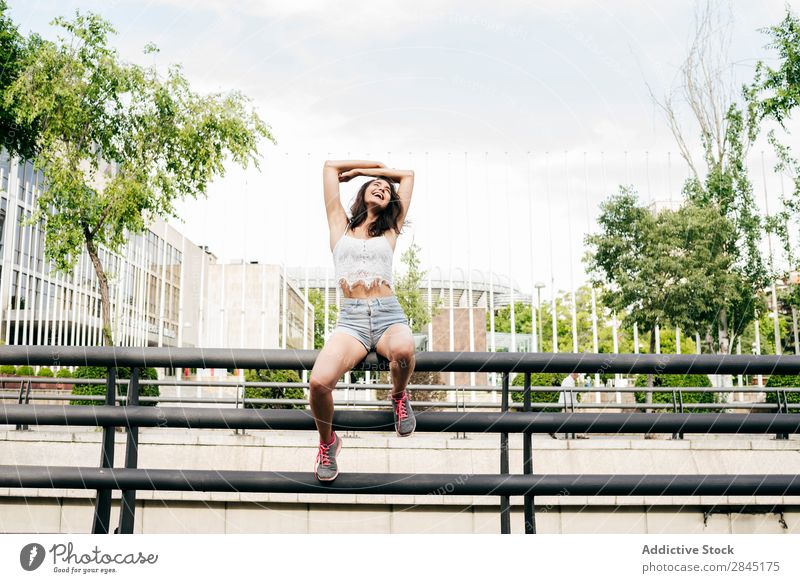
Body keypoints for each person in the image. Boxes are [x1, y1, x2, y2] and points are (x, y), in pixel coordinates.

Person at [310, 159, 416, 481]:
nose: (383, 186)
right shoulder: (338, 224)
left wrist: (376, 174)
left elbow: (407, 176)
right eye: (376, 185)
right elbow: (329, 168)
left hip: (388, 315)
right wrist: (360, 171)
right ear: (363, 192)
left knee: (404, 351)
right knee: (318, 383)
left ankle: (398, 395)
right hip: (352, 322)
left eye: (386, 188)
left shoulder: (390, 228)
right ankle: (328, 443)